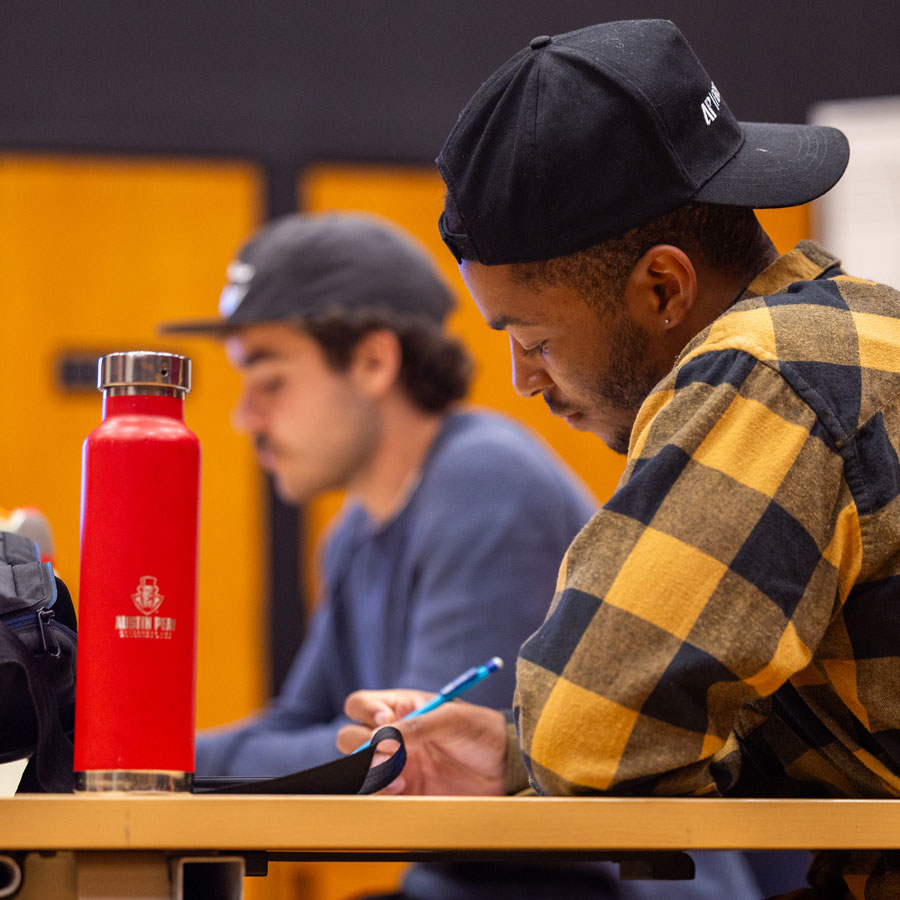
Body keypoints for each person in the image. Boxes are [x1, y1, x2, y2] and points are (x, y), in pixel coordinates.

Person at [337, 19, 900, 900]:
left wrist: (549, 742)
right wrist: (516, 754)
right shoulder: (861, 335)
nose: (523, 380)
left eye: (533, 338)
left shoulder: (768, 368)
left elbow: (594, 740)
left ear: (664, 288)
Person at [161, 212, 760, 899]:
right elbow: (300, 729)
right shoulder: (356, 530)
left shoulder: (484, 483)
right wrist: (137, 759)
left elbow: (405, 764)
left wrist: (156, 762)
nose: (246, 418)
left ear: (373, 362)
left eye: (270, 381)